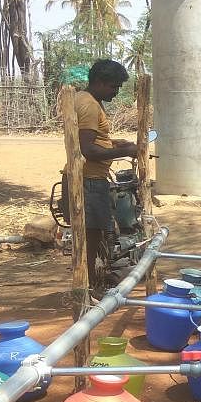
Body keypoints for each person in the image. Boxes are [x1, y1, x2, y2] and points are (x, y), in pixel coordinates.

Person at [68, 59, 138, 296]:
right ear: (99, 82)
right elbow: (88, 150)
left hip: (88, 178)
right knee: (92, 237)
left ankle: (91, 285)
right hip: (89, 180)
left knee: (94, 235)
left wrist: (113, 143)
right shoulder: (88, 105)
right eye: (114, 86)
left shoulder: (85, 100)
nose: (116, 92)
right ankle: (87, 289)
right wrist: (124, 151)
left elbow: (90, 141)